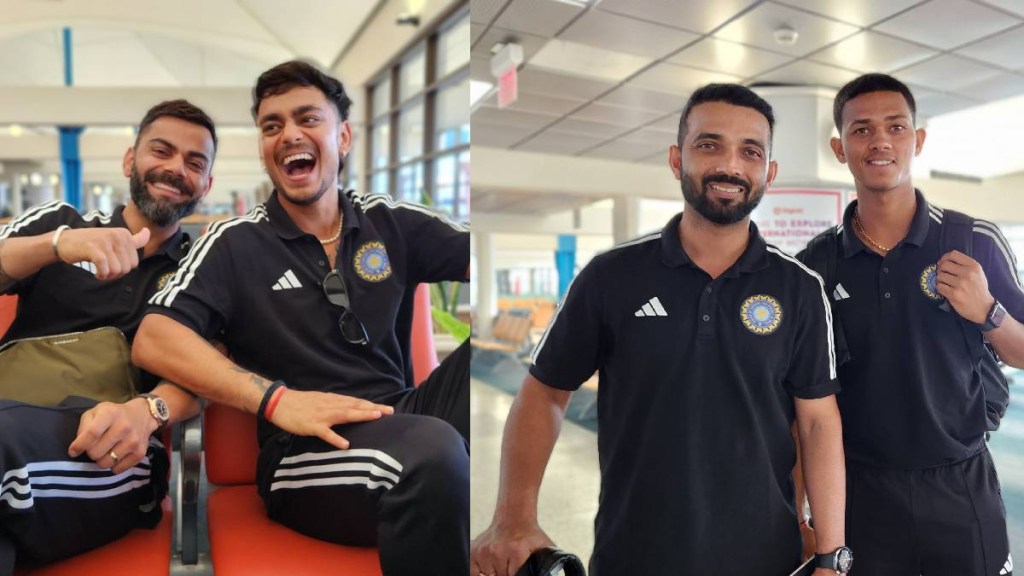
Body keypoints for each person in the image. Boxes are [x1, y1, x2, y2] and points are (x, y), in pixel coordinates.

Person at [471, 84, 850, 576]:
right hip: (633, 554)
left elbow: (817, 423)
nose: (730, 165)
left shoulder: (800, 289)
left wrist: (831, 556)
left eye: (750, 152)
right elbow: (544, 391)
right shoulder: (611, 276)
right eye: (709, 145)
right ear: (677, 159)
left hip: (765, 559)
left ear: (769, 173)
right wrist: (513, 517)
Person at [132, 61, 470, 576]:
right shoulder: (234, 242)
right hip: (305, 452)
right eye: (272, 125)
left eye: (307, 118)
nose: (289, 133)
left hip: (400, 417)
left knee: (468, 393)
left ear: (343, 137)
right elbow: (154, 337)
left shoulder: (390, 222)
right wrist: (275, 400)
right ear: (265, 150)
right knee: (435, 452)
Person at [796, 73, 1024, 576]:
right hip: (862, 491)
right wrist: (802, 512)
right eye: (861, 129)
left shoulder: (974, 240)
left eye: (896, 127)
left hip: (961, 483)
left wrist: (989, 311)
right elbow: (803, 403)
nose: (880, 141)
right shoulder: (816, 264)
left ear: (917, 140)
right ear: (839, 148)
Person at [0, 99, 216, 573]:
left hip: (111, 447)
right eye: (161, 151)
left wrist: (150, 411)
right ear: (129, 160)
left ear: (207, 185)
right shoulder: (59, 224)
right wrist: (56, 246)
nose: (176, 168)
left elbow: (211, 374)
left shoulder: (204, 270)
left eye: (195, 162)